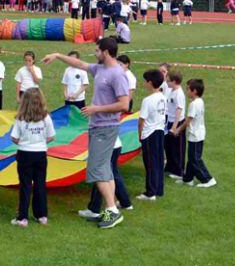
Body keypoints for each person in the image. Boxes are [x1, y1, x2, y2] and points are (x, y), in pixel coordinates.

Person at [42, 38, 130, 229]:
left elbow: (124, 104)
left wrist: (96, 109)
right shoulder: (100, 69)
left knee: (96, 169)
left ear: (106, 52)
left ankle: (112, 211)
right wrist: (57, 55)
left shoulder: (117, 74)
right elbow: (79, 64)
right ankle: (110, 209)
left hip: (105, 127)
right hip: (98, 126)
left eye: (97, 51)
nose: (94, 53)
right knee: (104, 169)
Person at [10, 88, 55, 227]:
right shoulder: (46, 117)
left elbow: (14, 138)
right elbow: (51, 136)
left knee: (25, 185)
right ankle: (42, 215)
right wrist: (40, 142)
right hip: (41, 154)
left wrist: (26, 141)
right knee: (40, 184)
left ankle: (22, 218)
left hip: (24, 154)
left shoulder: (20, 119)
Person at [177, 79, 216, 188]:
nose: (186, 91)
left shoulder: (194, 104)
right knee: (191, 157)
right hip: (197, 133)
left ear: (194, 91)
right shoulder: (199, 101)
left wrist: (178, 129)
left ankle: (208, 179)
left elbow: (188, 120)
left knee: (195, 159)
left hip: (195, 135)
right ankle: (188, 179)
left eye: (188, 89)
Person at [135, 69, 167, 201]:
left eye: (145, 81)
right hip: (159, 131)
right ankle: (158, 188)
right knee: (158, 161)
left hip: (149, 133)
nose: (144, 83)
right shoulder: (163, 97)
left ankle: (150, 192)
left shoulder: (147, 100)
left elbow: (141, 120)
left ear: (150, 82)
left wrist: (140, 135)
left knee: (150, 163)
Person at [165, 70, 186, 180]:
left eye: (168, 81)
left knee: (178, 147)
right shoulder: (171, 90)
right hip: (169, 120)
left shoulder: (179, 94)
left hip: (177, 122)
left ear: (175, 81)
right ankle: (170, 166)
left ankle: (179, 171)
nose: (166, 82)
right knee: (169, 146)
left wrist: (175, 126)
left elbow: (179, 109)